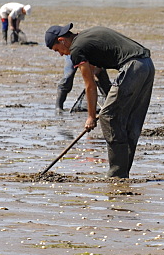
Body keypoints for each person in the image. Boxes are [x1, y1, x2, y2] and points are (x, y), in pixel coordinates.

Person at [44, 23, 155, 178]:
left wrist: (90, 117)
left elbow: (90, 86)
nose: (61, 55)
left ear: (62, 40)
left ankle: (116, 174)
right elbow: (98, 70)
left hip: (132, 68)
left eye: (57, 50)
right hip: (147, 65)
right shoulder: (87, 36)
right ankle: (122, 172)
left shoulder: (76, 49)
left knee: (108, 118)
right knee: (131, 120)